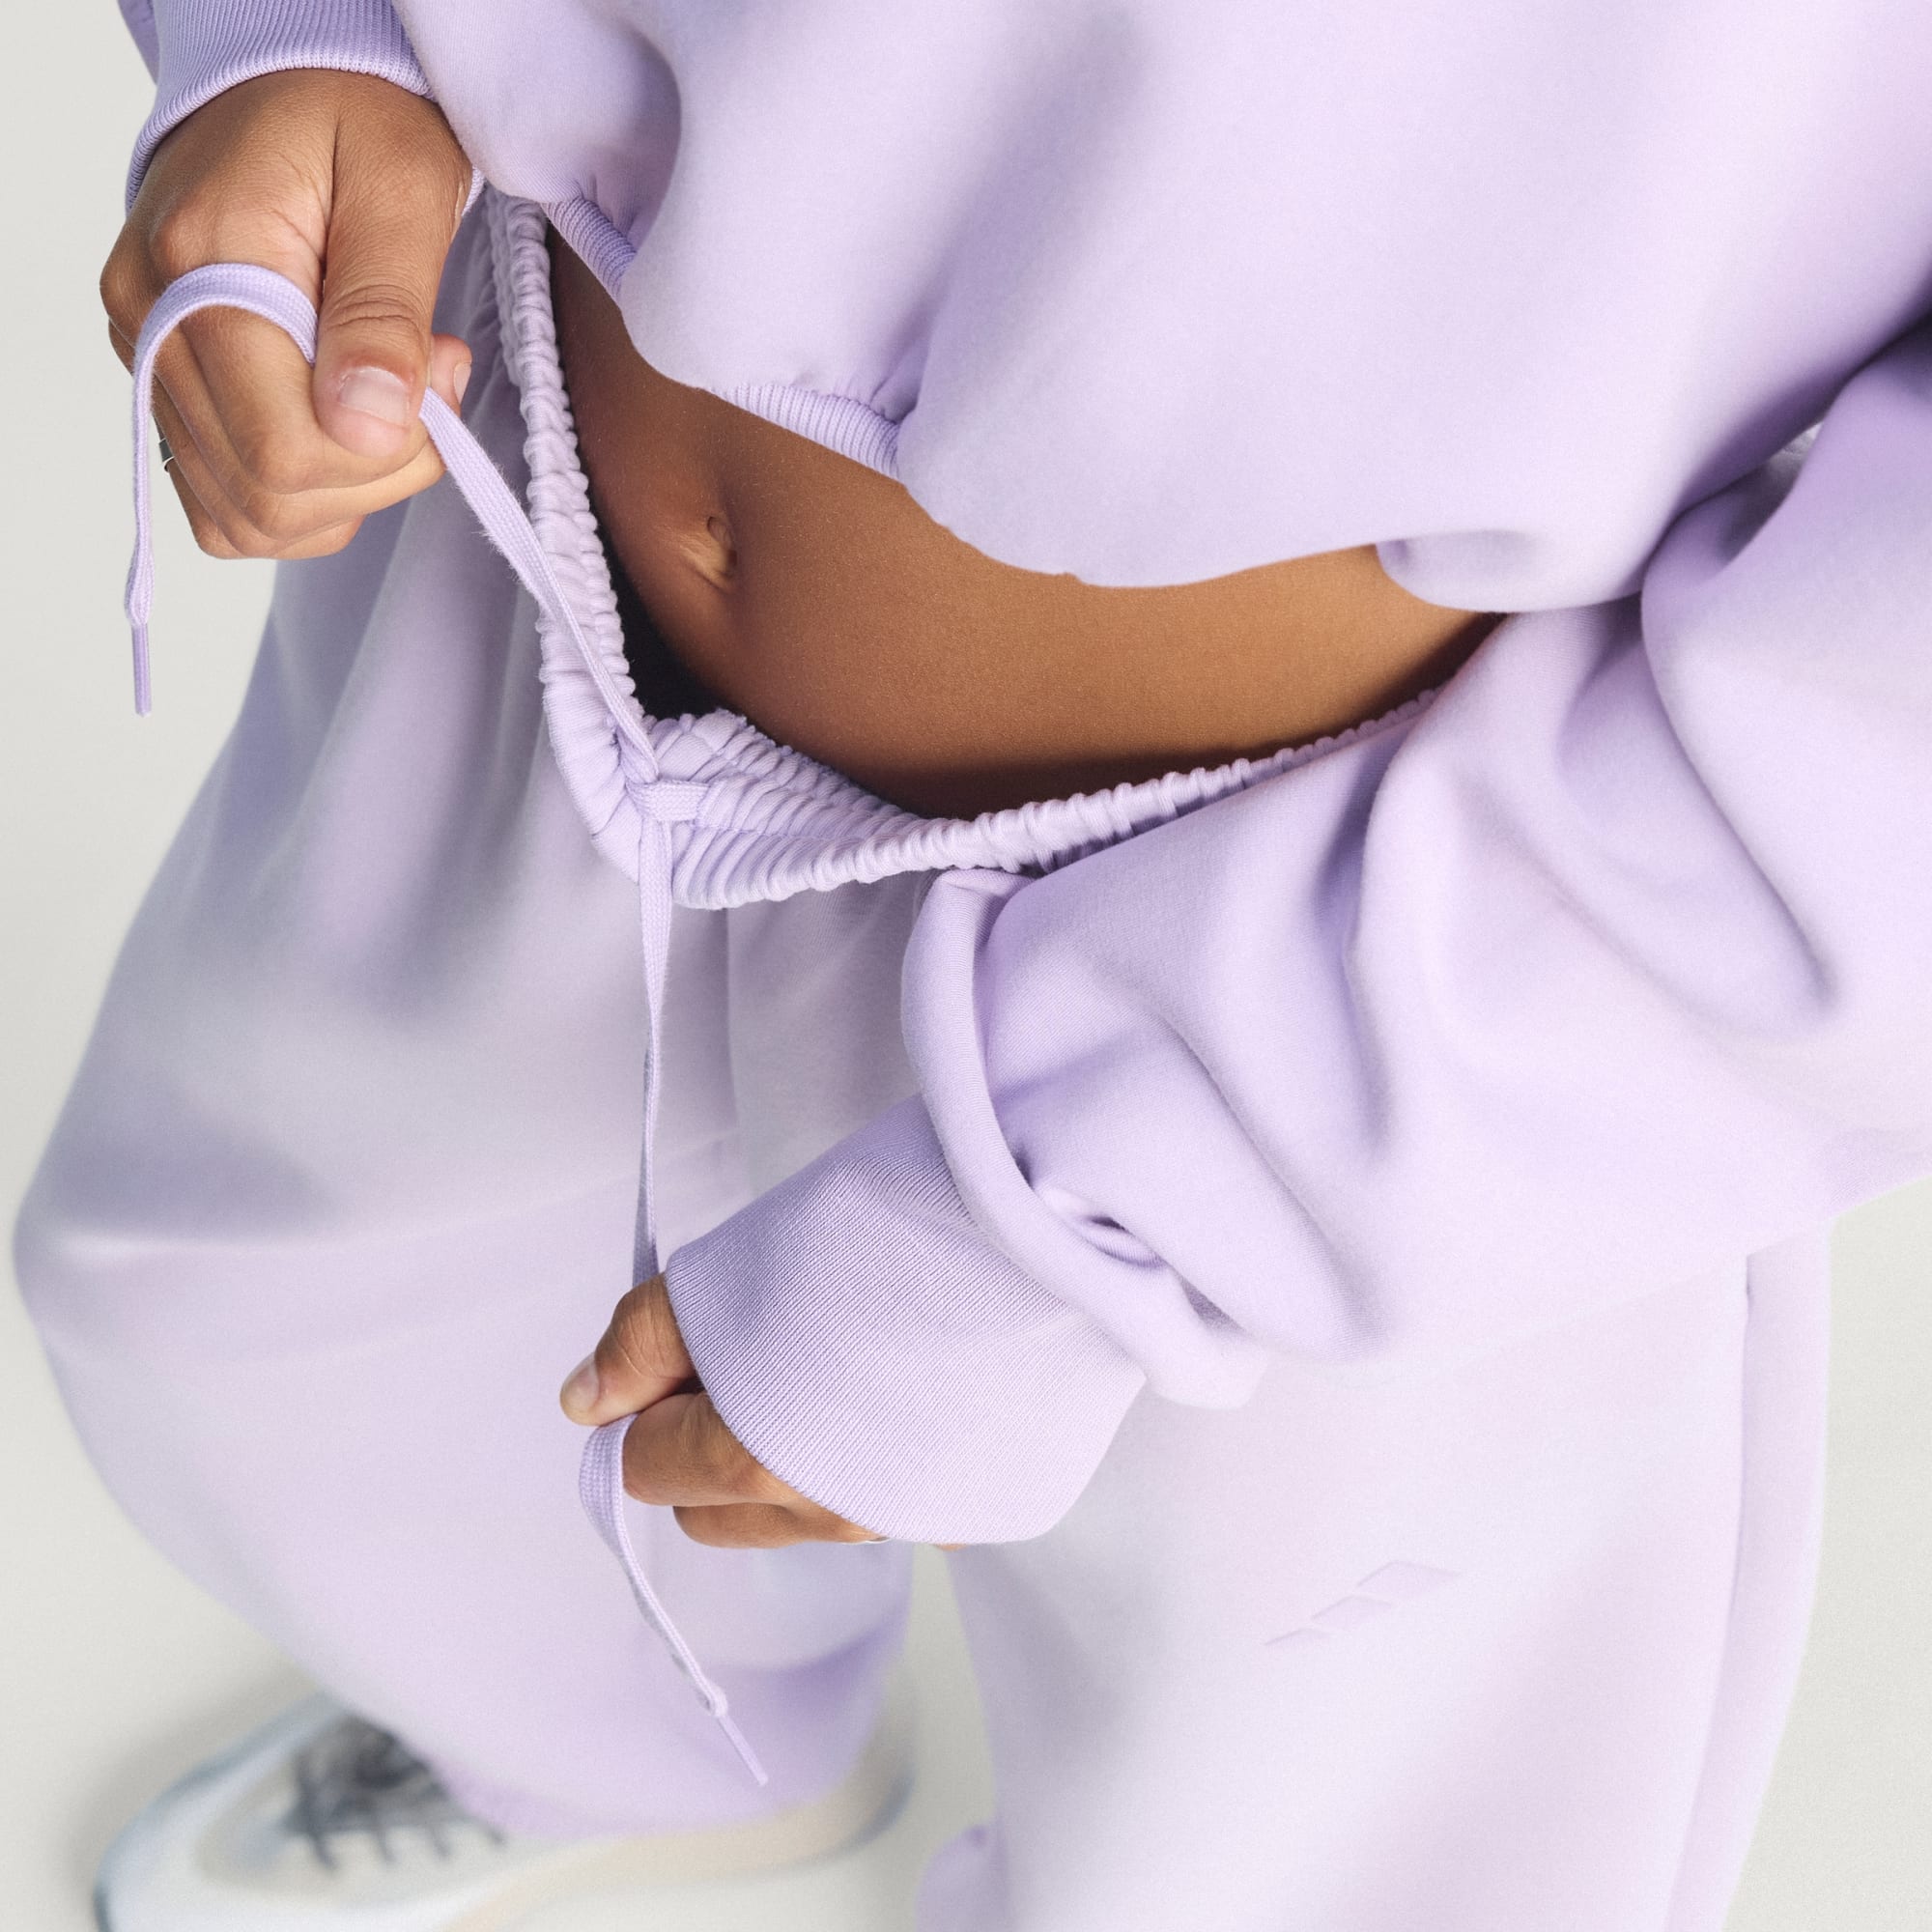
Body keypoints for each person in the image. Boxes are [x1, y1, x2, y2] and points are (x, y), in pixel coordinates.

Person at [14, 3, 1932, 1927]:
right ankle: (653, 1745)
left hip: (1398, 935)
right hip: (527, 510)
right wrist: (307, 42)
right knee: (317, 1305)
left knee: (1337, 1769)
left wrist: (1136, 1209)